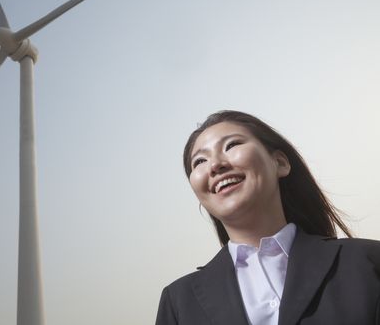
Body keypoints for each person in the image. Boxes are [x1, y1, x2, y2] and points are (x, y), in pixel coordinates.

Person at [155, 110, 380, 325]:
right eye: (199, 162)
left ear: (280, 163)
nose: (215, 165)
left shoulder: (368, 262)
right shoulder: (178, 303)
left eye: (231, 145)